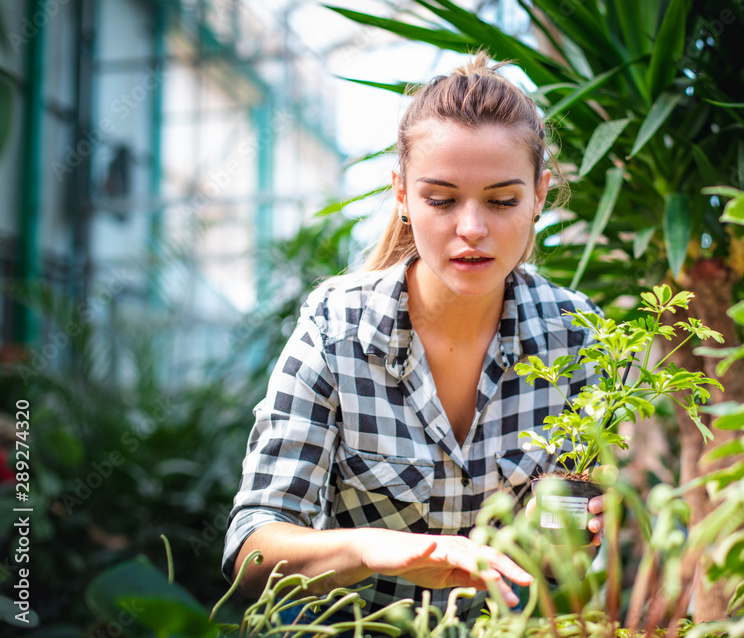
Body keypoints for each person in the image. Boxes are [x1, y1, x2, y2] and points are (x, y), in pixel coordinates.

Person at [222, 52, 605, 626]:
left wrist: (581, 533)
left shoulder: (576, 338)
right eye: (441, 199)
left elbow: (559, 566)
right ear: (401, 193)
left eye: (503, 201)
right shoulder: (336, 329)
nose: (471, 228)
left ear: (540, 196)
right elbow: (252, 553)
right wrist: (374, 548)